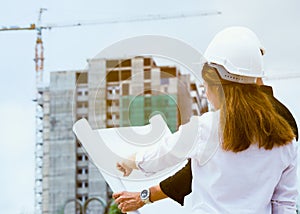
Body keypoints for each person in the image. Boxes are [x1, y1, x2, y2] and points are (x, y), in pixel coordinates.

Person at [114, 27, 298, 213]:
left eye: (206, 86)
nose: (206, 93)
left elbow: (161, 155)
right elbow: (284, 204)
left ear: (217, 87)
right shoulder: (286, 137)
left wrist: (131, 161)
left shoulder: (205, 128)